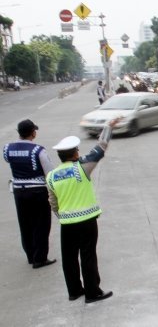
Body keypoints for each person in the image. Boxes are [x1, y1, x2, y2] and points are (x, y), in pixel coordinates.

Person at [46, 118, 120, 303]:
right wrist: (108, 127)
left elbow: (53, 203)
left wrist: (63, 216)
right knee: (88, 256)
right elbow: (101, 147)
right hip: (86, 221)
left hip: (66, 223)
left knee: (69, 258)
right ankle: (92, 292)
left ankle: (74, 291)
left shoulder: (51, 176)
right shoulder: (82, 167)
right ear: (75, 153)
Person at [4, 120, 56, 268]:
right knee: (41, 224)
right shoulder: (38, 150)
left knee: (25, 223)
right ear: (33, 132)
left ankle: (31, 255)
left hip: (19, 191)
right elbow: (49, 172)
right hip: (37, 191)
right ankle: (40, 258)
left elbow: (9, 160)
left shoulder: (7, 148)